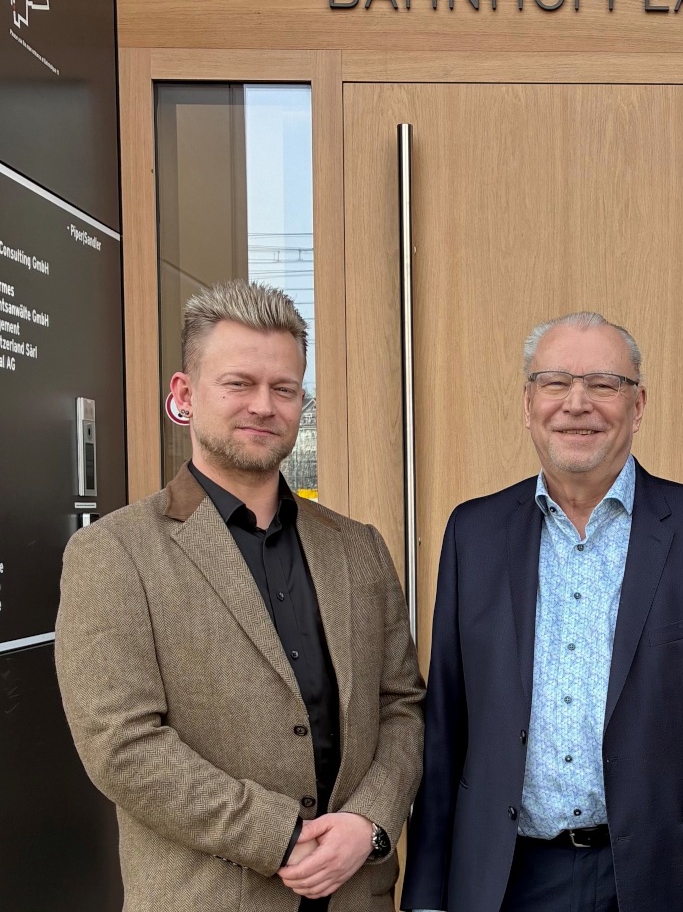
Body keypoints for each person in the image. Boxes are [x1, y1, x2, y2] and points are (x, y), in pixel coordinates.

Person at [56, 280, 425, 912]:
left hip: (354, 894)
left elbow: (402, 706)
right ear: (184, 394)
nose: (264, 405)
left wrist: (369, 821)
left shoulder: (358, 547)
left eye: (284, 388)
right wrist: (279, 837)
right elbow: (122, 746)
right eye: (239, 383)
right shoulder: (113, 553)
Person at [401, 311, 683, 912]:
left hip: (663, 881)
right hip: (504, 881)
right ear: (528, 404)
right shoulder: (473, 533)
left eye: (604, 384)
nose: (577, 404)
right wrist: (425, 897)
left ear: (638, 405)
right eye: (554, 382)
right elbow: (445, 730)